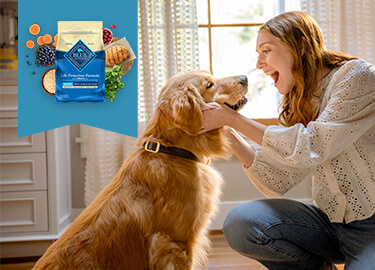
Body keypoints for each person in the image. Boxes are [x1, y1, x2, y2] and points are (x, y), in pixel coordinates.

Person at [199, 11, 375, 270]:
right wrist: (230, 133)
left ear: (301, 45)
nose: (259, 63)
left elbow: (312, 145)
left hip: (370, 225)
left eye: (266, 51)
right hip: (328, 222)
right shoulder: (297, 97)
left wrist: (234, 119)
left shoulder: (356, 76)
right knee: (241, 223)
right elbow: (279, 178)